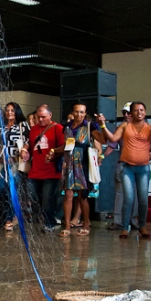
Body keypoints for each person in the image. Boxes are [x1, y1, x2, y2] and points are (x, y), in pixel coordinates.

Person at [99, 102, 151, 238]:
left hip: (143, 167)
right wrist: (103, 125)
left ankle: (141, 226)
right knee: (127, 197)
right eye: (134, 111)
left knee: (143, 199)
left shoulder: (148, 127)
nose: (137, 113)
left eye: (141, 110)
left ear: (144, 112)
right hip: (126, 166)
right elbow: (112, 141)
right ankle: (124, 227)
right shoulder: (124, 126)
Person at [60, 102, 102, 237]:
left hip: (82, 163)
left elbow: (103, 139)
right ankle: (66, 225)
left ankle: (85, 223)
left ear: (85, 113)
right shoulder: (66, 127)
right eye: (77, 111)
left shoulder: (90, 126)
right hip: (68, 163)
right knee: (68, 195)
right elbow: (65, 146)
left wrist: (102, 125)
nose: (79, 114)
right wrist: (54, 151)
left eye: (82, 112)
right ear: (72, 113)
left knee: (82, 196)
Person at [22, 104, 65, 232]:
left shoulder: (57, 128)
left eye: (43, 117)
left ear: (50, 115)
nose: (40, 120)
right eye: (38, 117)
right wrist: (24, 150)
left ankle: (50, 222)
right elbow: (30, 143)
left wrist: (53, 152)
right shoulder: (34, 129)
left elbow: (64, 147)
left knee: (48, 198)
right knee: (33, 196)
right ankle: (44, 217)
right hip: (35, 171)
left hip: (51, 171)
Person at [0, 102, 29, 231]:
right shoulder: (2, 127)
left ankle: (11, 217)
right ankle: (11, 215)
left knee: (12, 190)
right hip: (3, 163)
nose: (9, 112)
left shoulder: (23, 126)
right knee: (1, 187)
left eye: (12, 110)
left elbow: (28, 141)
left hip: (17, 163)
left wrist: (22, 152)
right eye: (7, 110)